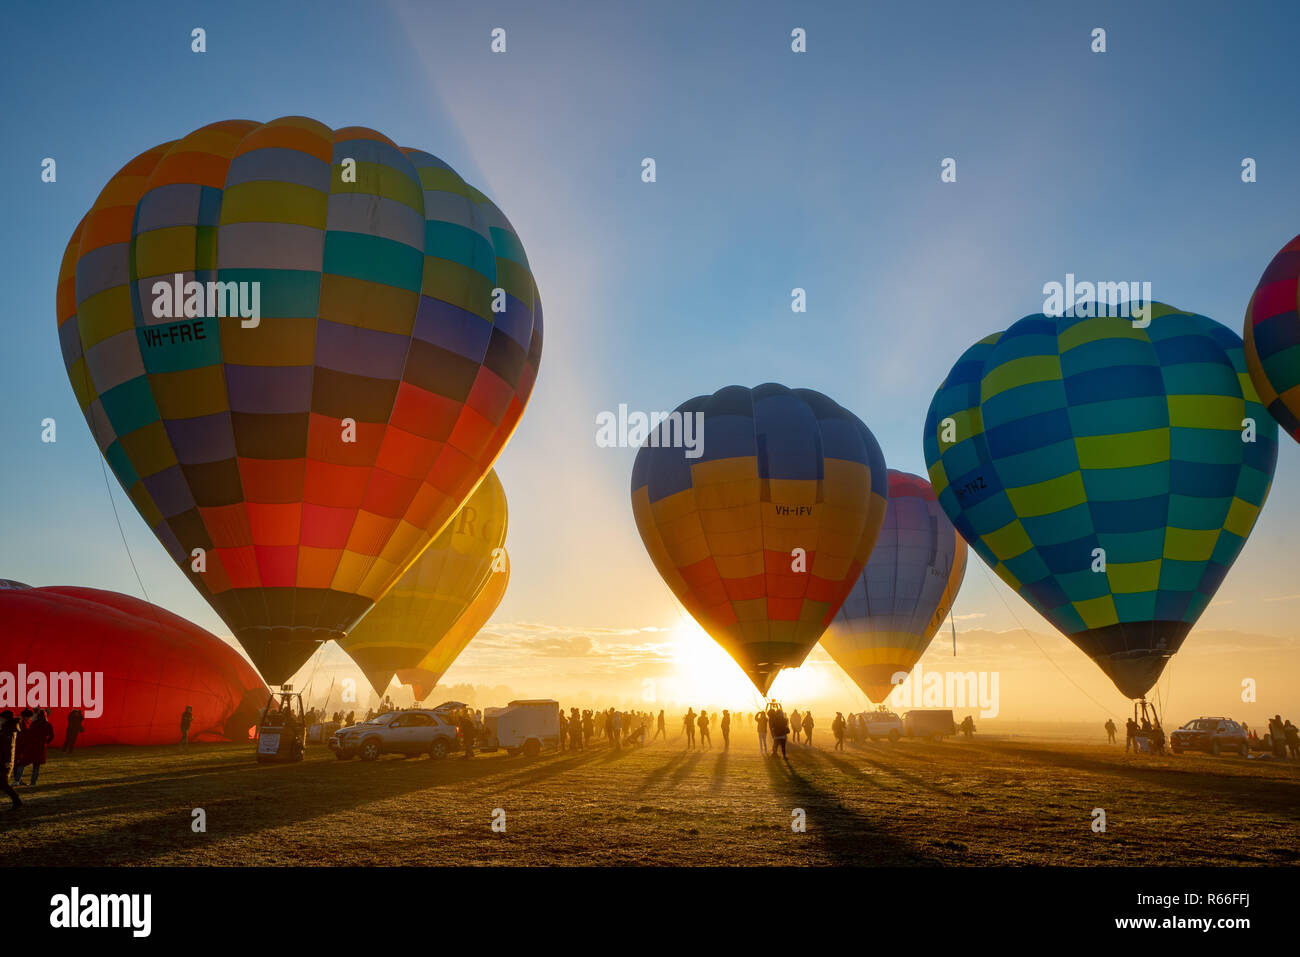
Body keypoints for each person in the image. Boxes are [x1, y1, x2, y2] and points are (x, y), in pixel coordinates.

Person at [13, 709, 54, 787]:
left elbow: (29, 735)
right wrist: (46, 742)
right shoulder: (48, 725)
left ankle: (17, 780)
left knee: (22, 764)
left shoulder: (34, 724)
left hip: (31, 747)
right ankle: (33, 783)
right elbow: (52, 735)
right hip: (41, 747)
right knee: (36, 767)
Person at [0, 711, 20, 810]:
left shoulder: (9, 731)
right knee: (3, 784)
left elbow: (9, 747)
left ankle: (17, 800)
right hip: (3, 759)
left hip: (4, 761)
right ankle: (17, 800)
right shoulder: (6, 729)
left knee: (3, 783)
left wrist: (8, 761)